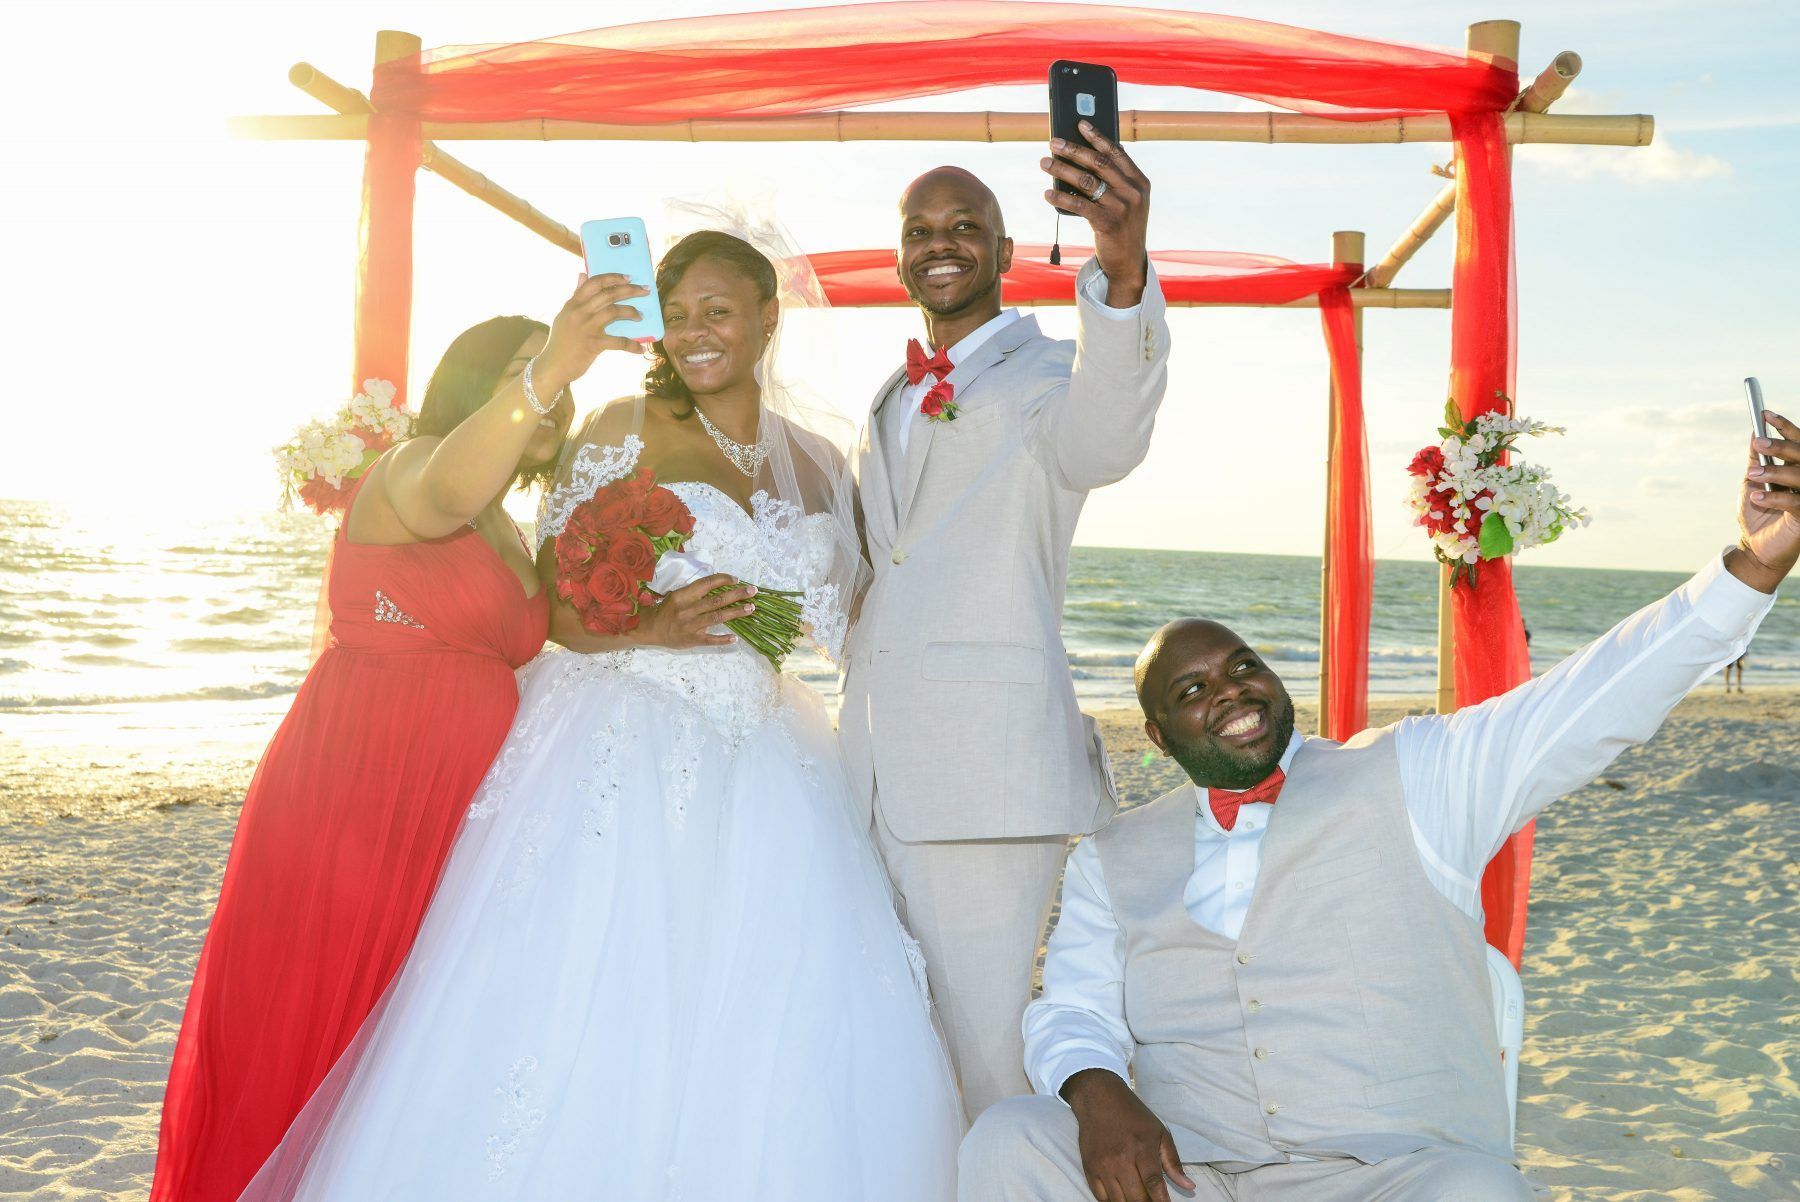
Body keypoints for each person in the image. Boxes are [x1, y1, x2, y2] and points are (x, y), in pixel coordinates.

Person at [237, 229, 963, 1202]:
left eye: (720, 310)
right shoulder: (620, 424)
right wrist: (655, 623)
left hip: (771, 759)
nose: (700, 333)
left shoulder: (823, 463)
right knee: (580, 998)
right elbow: (557, 603)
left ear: (766, 318)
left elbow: (860, 627)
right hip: (620, 730)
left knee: (766, 1012)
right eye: (683, 316)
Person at [959, 414, 1799, 1202]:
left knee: (1480, 1195)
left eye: (1243, 664)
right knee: (1012, 1138)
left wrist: (1754, 565)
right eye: (1193, 689)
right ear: (1158, 735)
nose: (1232, 690)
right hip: (1196, 1175)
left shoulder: (1418, 772)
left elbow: (1589, 700)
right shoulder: (1111, 855)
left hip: (1388, 1177)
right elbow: (1073, 1008)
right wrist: (1098, 1089)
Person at [150, 277, 640, 1202]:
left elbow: (565, 626)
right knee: (316, 1012)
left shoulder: (505, 520)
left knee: (405, 1038)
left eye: (557, 383)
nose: (551, 393)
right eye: (523, 372)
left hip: (456, 810)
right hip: (358, 793)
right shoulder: (411, 471)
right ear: (474, 390)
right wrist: (557, 363)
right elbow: (451, 480)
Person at [839, 121, 1170, 1119]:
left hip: (988, 784)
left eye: (966, 225)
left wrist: (1121, 271)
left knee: (989, 1063)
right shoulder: (890, 391)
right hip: (871, 774)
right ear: (900, 252)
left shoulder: (1046, 378)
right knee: (903, 1051)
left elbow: (1106, 435)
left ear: (1005, 250)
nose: (941, 242)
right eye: (921, 227)